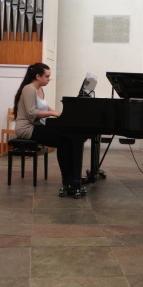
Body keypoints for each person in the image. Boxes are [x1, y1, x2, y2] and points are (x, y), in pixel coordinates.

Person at [13, 62, 86, 195]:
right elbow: (31, 113)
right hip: (27, 128)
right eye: (47, 76)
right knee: (63, 141)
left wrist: (60, 114)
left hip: (38, 125)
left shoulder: (40, 89)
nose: (49, 79)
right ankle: (67, 180)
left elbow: (45, 108)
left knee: (69, 138)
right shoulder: (29, 89)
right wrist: (53, 114)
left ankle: (74, 177)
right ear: (38, 76)